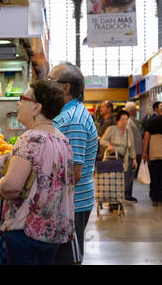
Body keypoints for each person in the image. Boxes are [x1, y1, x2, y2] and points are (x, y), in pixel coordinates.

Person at [0, 80, 74, 265]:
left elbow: (12, 187)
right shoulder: (63, 140)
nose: (18, 104)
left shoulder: (30, 138)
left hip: (27, 232)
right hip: (53, 232)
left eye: (22, 99)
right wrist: (7, 158)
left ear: (36, 108)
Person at [48, 63, 98, 265]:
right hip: (66, 202)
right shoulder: (66, 114)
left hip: (72, 204)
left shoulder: (74, 120)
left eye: (51, 80)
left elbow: (73, 173)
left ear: (65, 87)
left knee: (68, 259)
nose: (47, 84)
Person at [100, 110, 138, 203]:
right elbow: (102, 140)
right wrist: (109, 145)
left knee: (127, 177)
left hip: (125, 157)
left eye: (126, 119)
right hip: (113, 157)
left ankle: (126, 196)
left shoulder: (128, 131)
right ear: (118, 120)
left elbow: (132, 146)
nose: (125, 121)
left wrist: (134, 159)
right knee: (114, 180)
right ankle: (113, 200)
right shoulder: (111, 129)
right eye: (122, 119)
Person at [142, 102, 162, 206]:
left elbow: (146, 137)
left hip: (153, 154)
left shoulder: (151, 121)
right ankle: (161, 198)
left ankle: (154, 198)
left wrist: (145, 152)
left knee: (154, 176)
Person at [124, 101, 143, 184]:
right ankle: (127, 193)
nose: (136, 111)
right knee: (130, 173)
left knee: (131, 172)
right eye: (135, 109)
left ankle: (128, 192)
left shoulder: (132, 120)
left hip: (135, 150)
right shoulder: (128, 121)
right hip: (132, 151)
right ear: (132, 111)